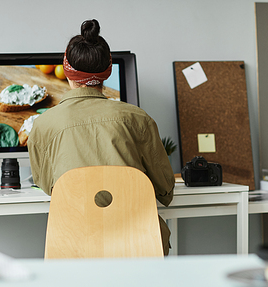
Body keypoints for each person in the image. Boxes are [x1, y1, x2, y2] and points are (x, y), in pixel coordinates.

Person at [28, 19, 175, 255]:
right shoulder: (138, 119)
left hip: (72, 245)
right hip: (137, 244)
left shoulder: (43, 124)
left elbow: (49, 187)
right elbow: (165, 190)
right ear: (108, 71)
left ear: (67, 72)